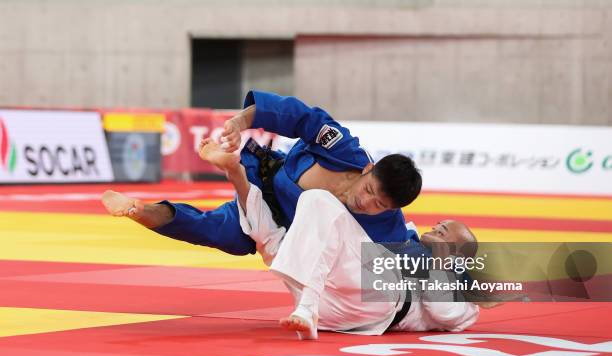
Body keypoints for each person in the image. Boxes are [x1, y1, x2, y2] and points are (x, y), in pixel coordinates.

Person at [195, 140, 480, 340]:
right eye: (441, 224)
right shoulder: (412, 242)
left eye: (445, 231)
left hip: (380, 301)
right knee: (274, 242)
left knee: (318, 200)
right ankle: (236, 172)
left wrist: (443, 269)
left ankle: (307, 306)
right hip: (336, 313)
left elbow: (442, 309)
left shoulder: (465, 298)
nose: (438, 225)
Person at [101, 90, 422, 257]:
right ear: (368, 169)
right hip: (267, 183)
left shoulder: (387, 224)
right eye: (369, 190)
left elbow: (411, 263)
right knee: (215, 227)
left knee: (223, 235)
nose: (368, 203)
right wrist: (241, 121)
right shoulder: (341, 147)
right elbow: (298, 116)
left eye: (380, 204)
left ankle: (145, 209)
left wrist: (470, 284)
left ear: (392, 209)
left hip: (281, 235)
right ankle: (142, 209)